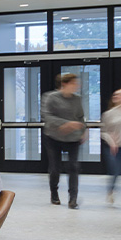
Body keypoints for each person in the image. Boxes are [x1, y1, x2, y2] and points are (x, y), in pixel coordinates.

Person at [43, 72, 88, 208]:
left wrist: (83, 130)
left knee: (74, 167)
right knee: (55, 168)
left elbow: (80, 117)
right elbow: (47, 116)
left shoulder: (77, 99)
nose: (77, 86)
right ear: (64, 84)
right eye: (74, 83)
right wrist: (66, 124)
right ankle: (54, 193)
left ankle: (72, 199)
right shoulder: (50, 97)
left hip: (73, 138)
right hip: (53, 137)